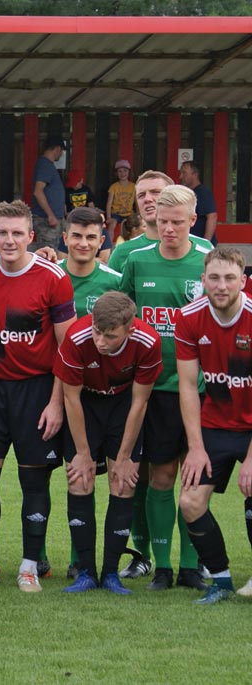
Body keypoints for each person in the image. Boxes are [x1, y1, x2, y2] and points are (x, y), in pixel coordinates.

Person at [0, 200, 76, 593]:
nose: (9, 240)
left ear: (31, 236)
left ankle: (29, 566)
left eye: (16, 233)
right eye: (2, 233)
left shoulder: (52, 276)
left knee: (34, 483)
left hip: (36, 390)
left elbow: (67, 348)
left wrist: (56, 403)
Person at [119, 184, 212, 592]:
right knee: (161, 476)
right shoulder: (137, 261)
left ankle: (192, 566)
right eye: (162, 221)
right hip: (153, 390)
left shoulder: (208, 260)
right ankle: (161, 566)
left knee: (194, 479)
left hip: (203, 390)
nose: (169, 228)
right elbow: (119, 317)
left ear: (193, 221)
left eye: (177, 222)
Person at [54, 291, 161, 595]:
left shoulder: (148, 341)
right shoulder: (77, 338)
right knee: (80, 479)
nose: (101, 341)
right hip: (85, 405)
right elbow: (70, 398)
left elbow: (140, 402)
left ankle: (111, 573)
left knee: (123, 482)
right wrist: (84, 454)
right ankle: (86, 572)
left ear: (130, 329)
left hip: (124, 406)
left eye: (110, 336)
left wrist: (125, 455)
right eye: (97, 332)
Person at [177, 247, 252, 604]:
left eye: (229, 278)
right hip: (215, 425)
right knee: (190, 501)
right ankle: (220, 581)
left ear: (243, 281)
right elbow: (189, 386)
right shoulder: (189, 318)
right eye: (214, 278)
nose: (221, 286)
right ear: (203, 280)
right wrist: (195, 447)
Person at [59, 207, 122, 318]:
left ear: (101, 242)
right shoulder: (48, 275)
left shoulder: (117, 282)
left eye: (91, 237)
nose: (83, 244)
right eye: (77, 236)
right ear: (65, 238)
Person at [31, 136, 67, 251]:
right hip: (46, 220)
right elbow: (38, 191)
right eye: (61, 151)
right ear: (57, 148)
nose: (61, 154)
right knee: (48, 252)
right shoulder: (44, 165)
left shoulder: (48, 165)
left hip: (54, 219)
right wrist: (50, 215)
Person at [178, 160, 218, 243]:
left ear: (195, 174)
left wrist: (206, 242)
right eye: (181, 173)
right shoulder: (187, 193)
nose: (181, 177)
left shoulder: (203, 193)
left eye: (184, 173)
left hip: (199, 243)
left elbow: (212, 216)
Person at [106, 159, 137, 240]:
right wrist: (108, 217)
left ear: (129, 172)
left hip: (128, 213)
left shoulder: (133, 186)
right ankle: (109, 246)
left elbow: (137, 202)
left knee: (135, 225)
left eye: (125, 171)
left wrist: (138, 214)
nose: (122, 173)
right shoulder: (114, 187)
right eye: (120, 171)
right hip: (116, 214)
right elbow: (109, 203)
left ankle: (134, 245)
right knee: (112, 223)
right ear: (116, 173)